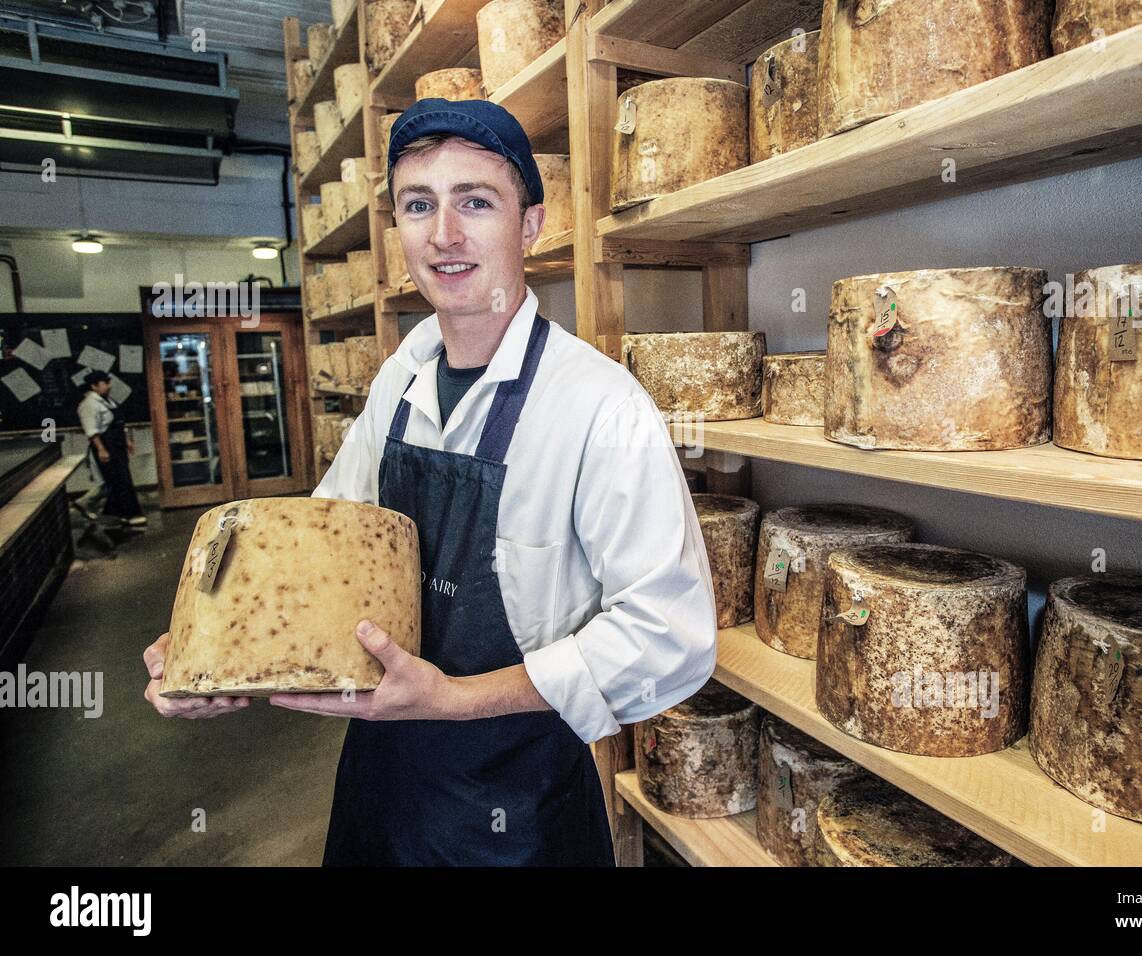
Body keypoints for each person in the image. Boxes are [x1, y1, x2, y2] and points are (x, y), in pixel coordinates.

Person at [142, 98, 718, 866]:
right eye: (419, 205)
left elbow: (669, 636)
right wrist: (207, 646)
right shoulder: (402, 376)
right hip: (383, 781)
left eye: (475, 202)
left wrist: (451, 700)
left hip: (520, 803)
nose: (444, 234)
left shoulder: (599, 405)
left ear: (531, 225)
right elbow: (321, 541)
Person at [77, 369, 145, 527]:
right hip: (106, 446)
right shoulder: (89, 404)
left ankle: (115, 515)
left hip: (118, 445)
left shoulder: (108, 401)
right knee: (117, 481)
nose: (108, 386)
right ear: (94, 386)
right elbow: (91, 430)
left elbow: (120, 423)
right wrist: (101, 449)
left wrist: (127, 441)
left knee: (122, 479)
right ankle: (128, 514)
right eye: (105, 383)